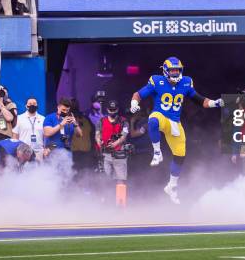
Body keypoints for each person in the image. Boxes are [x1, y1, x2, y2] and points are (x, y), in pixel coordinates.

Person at [129, 57, 223, 204]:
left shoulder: (186, 82)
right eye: (172, 70)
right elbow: (138, 94)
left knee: (180, 155)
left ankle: (172, 186)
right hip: (162, 117)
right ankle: (157, 153)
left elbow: (201, 101)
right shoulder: (157, 81)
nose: (175, 73)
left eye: (177, 70)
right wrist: (134, 103)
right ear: (165, 71)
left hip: (175, 123)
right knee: (153, 119)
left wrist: (215, 103)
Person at [95, 100, 129, 206]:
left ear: (118, 109)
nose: (112, 111)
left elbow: (124, 135)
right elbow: (97, 134)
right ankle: (105, 202)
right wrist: (98, 141)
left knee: (120, 179)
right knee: (105, 178)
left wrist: (116, 143)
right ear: (107, 109)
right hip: (105, 154)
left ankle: (120, 203)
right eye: (110, 110)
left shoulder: (124, 121)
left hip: (119, 153)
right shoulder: (101, 121)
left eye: (114, 110)